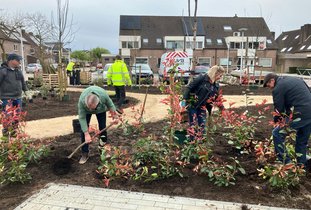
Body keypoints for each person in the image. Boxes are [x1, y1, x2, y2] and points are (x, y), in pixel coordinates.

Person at [263, 73, 311, 167]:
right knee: (301, 140)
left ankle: (287, 163)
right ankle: (301, 166)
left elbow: (278, 109)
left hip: (299, 113)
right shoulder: (295, 80)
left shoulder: (278, 88)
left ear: (272, 80)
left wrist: (277, 122)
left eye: (268, 85)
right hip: (309, 113)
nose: (269, 88)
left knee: (277, 134)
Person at [181, 65, 225, 139]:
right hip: (192, 105)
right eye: (220, 75)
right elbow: (189, 88)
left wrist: (222, 109)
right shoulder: (202, 78)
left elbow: (217, 99)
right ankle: (192, 143)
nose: (220, 77)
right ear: (215, 73)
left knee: (202, 126)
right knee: (193, 126)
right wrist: (183, 104)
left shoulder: (215, 86)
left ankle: (200, 144)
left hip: (202, 107)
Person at [78, 86, 118, 164]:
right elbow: (82, 118)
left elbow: (110, 105)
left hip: (101, 110)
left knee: (103, 128)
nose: (91, 110)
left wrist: (115, 116)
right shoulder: (82, 101)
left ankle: (103, 151)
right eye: (88, 107)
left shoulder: (103, 96)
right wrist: (86, 133)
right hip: (86, 113)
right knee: (83, 131)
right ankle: (85, 153)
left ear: (98, 102)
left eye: (92, 108)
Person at [0, 53, 27, 136]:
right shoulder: (3, 71)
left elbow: (22, 82)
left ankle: (14, 133)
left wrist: (26, 91)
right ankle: (6, 134)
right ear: (11, 60)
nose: (19, 62)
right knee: (7, 117)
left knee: (17, 117)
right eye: (17, 60)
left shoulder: (18, 71)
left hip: (18, 98)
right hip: (7, 98)